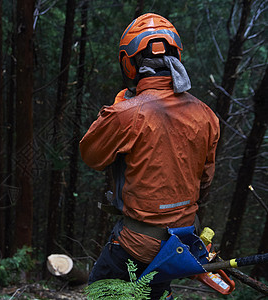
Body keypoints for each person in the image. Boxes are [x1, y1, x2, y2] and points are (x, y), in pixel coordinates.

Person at [79, 13, 220, 299]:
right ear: (176, 55)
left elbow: (91, 155)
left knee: (99, 290)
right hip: (180, 242)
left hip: (136, 244)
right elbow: (204, 182)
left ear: (129, 62)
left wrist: (118, 108)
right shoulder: (206, 115)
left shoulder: (127, 113)